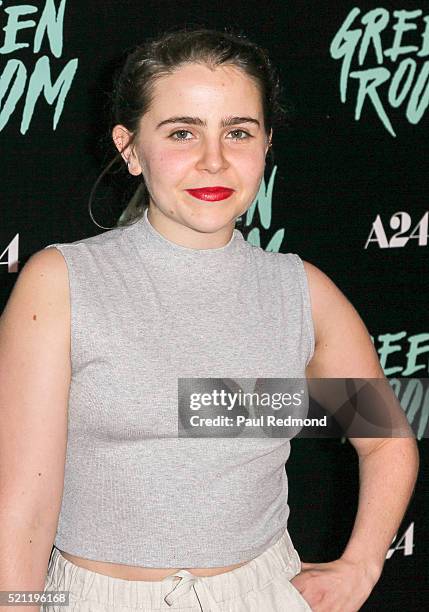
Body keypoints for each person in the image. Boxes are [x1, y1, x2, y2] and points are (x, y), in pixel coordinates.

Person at [0, 27, 419, 612]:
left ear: (266, 144)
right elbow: (23, 501)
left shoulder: (298, 292)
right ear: (129, 147)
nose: (214, 160)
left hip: (264, 593)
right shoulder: (64, 282)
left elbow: (386, 442)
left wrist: (362, 566)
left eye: (238, 132)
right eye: (182, 133)